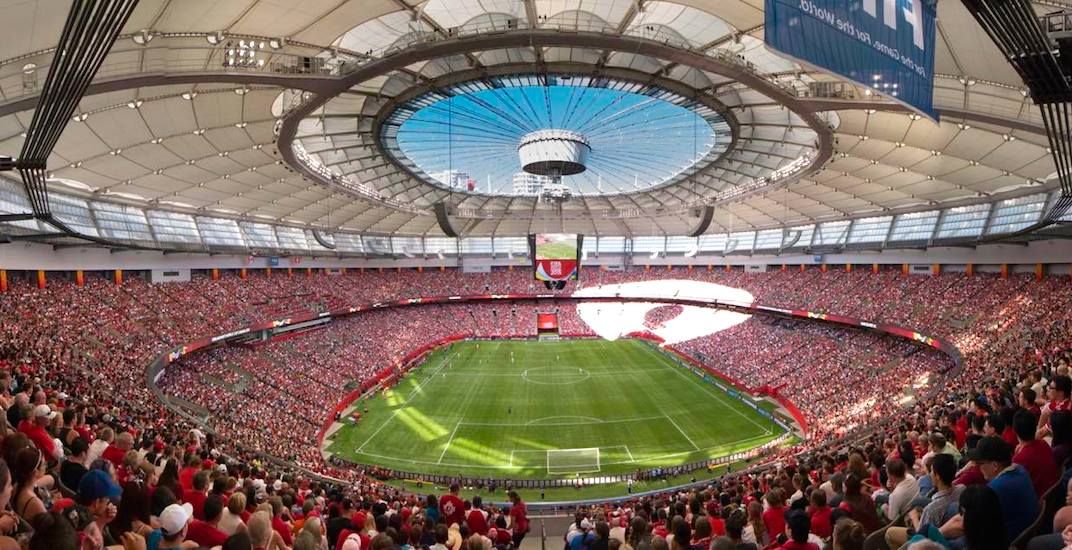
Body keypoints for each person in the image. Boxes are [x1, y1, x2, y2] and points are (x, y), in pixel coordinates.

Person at [885, 453, 962, 550]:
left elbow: (921, 535)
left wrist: (914, 518)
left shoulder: (932, 509)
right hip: (945, 534)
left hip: (930, 542)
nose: (929, 474)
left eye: (932, 471)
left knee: (890, 532)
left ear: (937, 476)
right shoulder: (962, 489)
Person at [1012, 409, 1059, 498]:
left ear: (1015, 431)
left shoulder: (1018, 459)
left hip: (1039, 499)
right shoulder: (1043, 443)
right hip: (1053, 495)